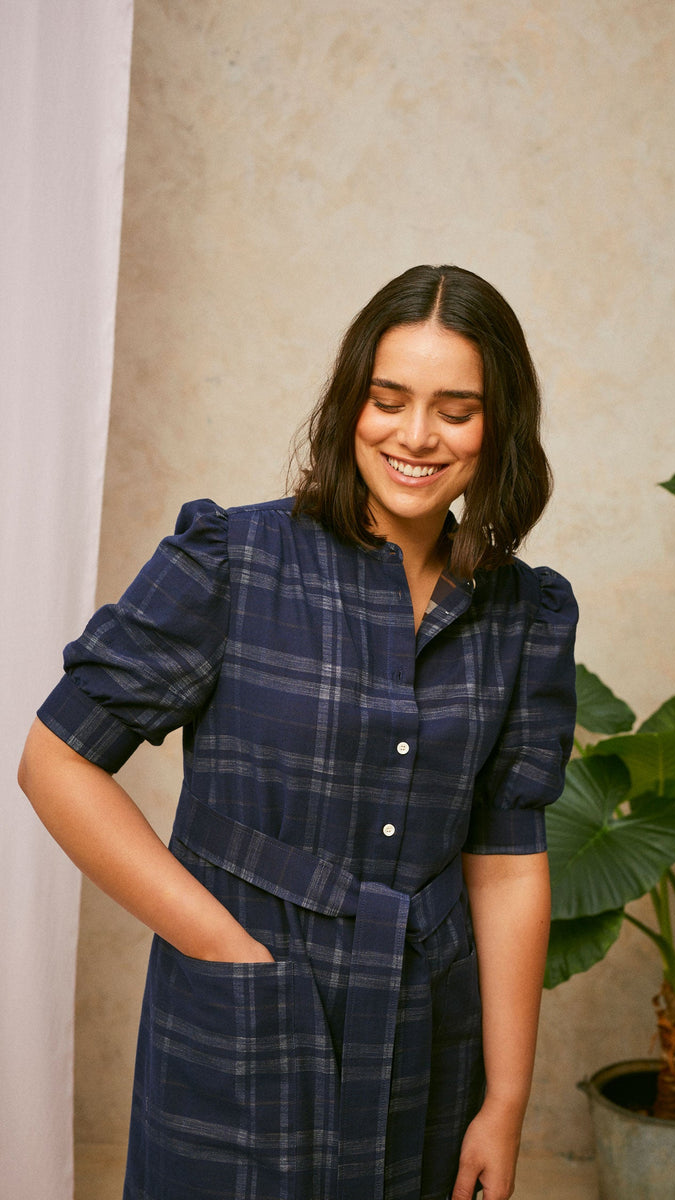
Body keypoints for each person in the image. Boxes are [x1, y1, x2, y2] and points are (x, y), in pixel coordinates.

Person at [18, 264, 577, 1200]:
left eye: (456, 409)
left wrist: (507, 1099)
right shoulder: (233, 561)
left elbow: (508, 855)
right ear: (349, 403)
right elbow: (54, 759)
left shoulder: (524, 614)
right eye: (388, 400)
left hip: (426, 1039)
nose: (415, 435)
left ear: (500, 425)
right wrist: (217, 945)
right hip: (240, 1022)